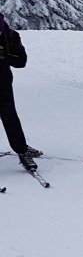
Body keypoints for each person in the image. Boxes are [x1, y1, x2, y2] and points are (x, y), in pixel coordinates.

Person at [0, 12, 40, 172]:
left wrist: (4, 56)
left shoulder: (11, 36)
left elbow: (21, 61)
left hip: (2, 84)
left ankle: (22, 151)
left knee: (10, 117)